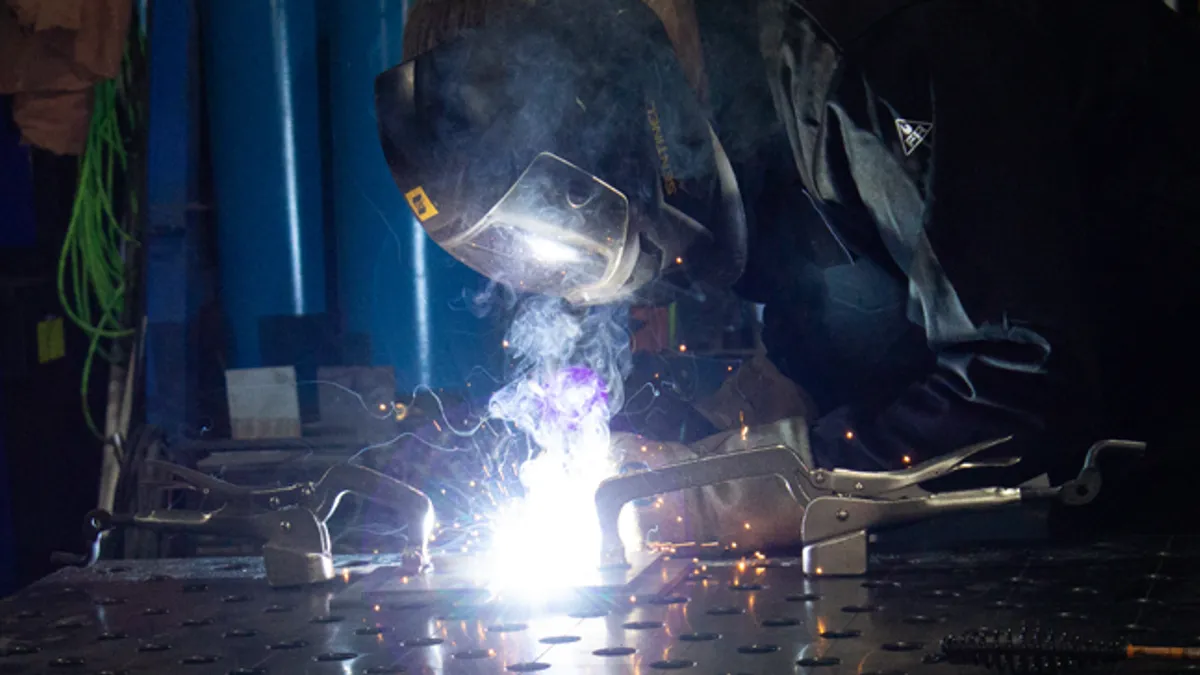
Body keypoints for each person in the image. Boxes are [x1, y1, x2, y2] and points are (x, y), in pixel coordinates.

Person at [375, 0, 1200, 521]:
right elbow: (854, 308)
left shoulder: (889, 41)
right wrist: (712, 431)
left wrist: (746, 493)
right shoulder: (739, 101)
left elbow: (1027, 388)